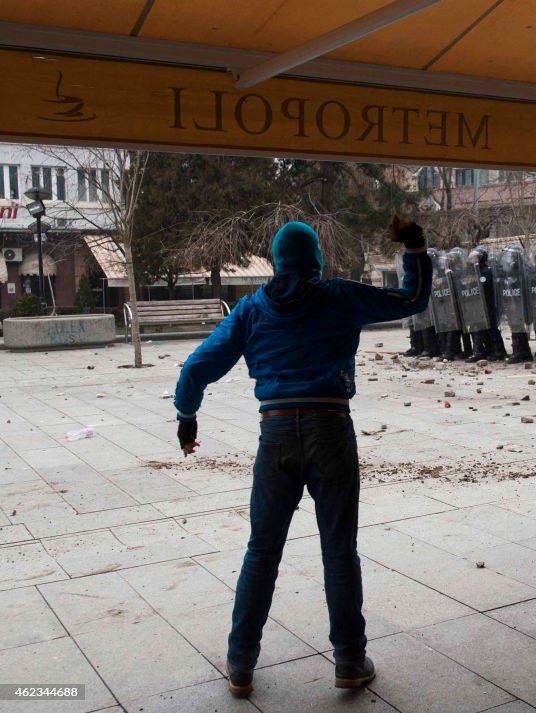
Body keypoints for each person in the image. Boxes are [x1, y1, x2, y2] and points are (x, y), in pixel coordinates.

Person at [174, 219, 430, 697]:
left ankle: (240, 664)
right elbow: (411, 300)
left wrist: (187, 416)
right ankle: (351, 660)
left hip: (275, 438)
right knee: (338, 549)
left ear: (275, 261)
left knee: (261, 551)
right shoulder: (338, 296)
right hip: (330, 428)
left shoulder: (251, 309)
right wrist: (414, 247)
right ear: (315, 260)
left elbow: (196, 367)